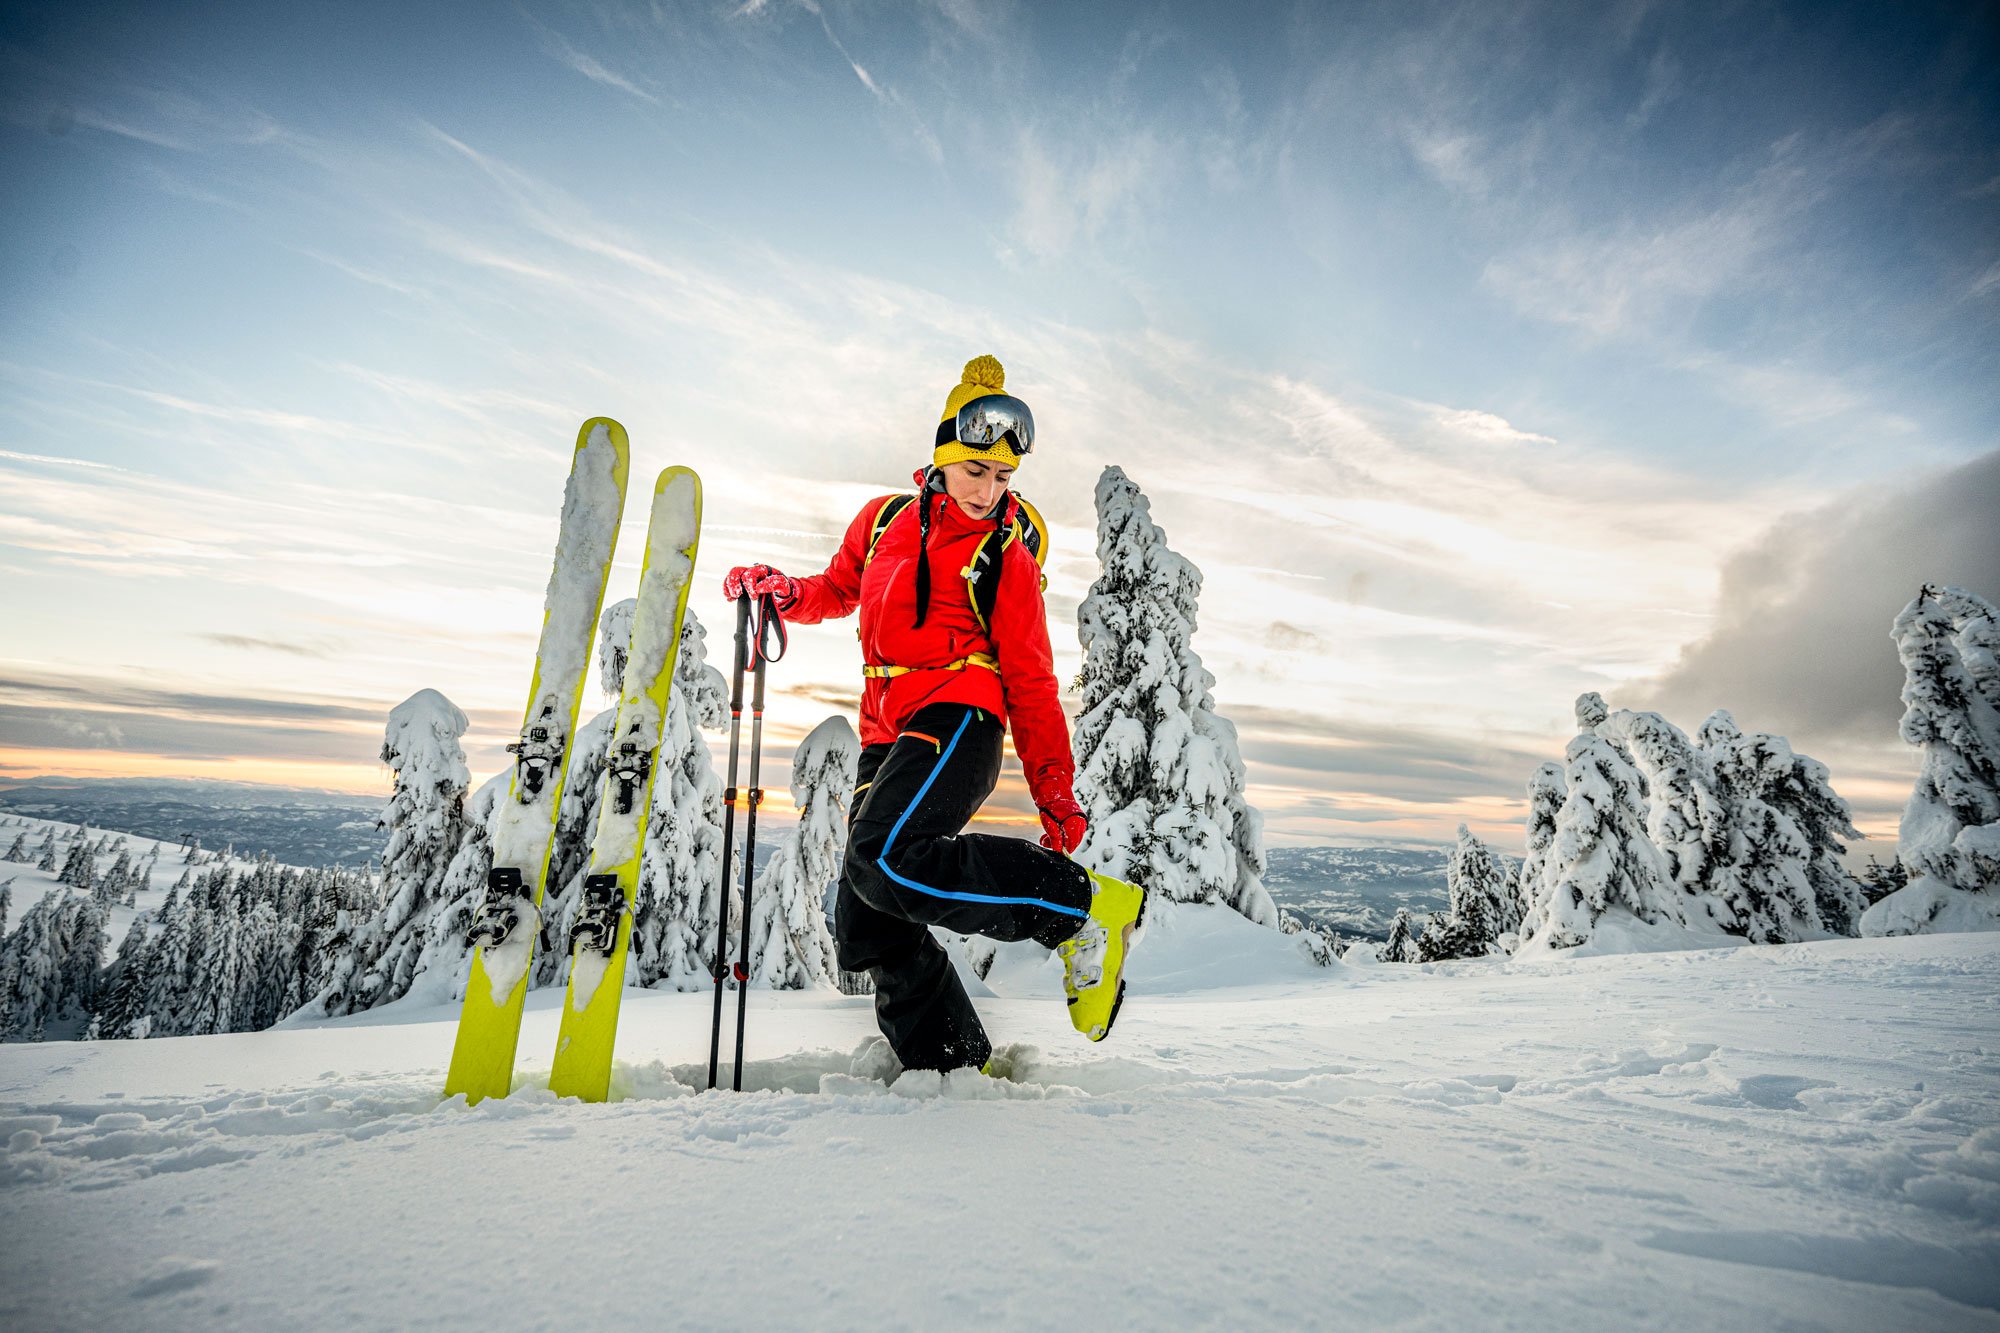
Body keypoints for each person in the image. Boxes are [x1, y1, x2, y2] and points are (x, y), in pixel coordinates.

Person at [722, 354, 1146, 1075]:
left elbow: (1033, 681)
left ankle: (1080, 908)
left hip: (959, 716)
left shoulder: (1003, 555)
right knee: (866, 915)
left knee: (886, 858)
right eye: (977, 471)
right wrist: (787, 593)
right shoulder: (885, 518)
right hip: (885, 733)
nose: (989, 490)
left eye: (1004, 477)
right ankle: (953, 1069)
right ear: (944, 459)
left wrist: (1055, 791)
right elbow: (837, 585)